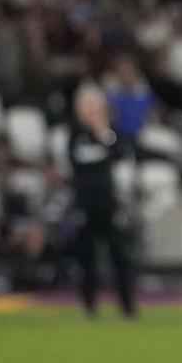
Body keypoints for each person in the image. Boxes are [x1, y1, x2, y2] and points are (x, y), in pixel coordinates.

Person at [67, 85, 137, 318]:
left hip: (109, 203)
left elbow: (119, 153)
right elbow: (76, 163)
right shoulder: (75, 135)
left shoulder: (109, 133)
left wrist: (102, 133)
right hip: (85, 204)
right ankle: (89, 307)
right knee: (87, 259)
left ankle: (127, 307)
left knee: (120, 256)